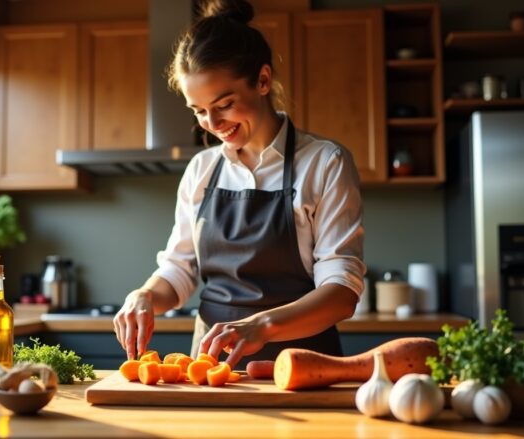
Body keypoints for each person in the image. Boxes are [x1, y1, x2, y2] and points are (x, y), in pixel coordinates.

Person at [113, 0, 365, 369]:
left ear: (263, 81)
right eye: (198, 110)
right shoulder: (201, 169)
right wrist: (146, 295)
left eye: (224, 104)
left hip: (304, 366)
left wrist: (260, 326)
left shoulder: (325, 163)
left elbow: (342, 294)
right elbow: (179, 271)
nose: (212, 123)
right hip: (213, 367)